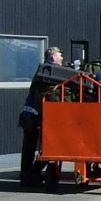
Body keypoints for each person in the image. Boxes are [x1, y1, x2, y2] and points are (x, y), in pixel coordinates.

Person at [18, 46, 64, 187]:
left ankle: (28, 175)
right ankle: (30, 174)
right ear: (53, 56)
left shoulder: (45, 70)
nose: (62, 58)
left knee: (29, 148)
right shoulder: (49, 71)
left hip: (29, 113)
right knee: (44, 148)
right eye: (60, 55)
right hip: (34, 115)